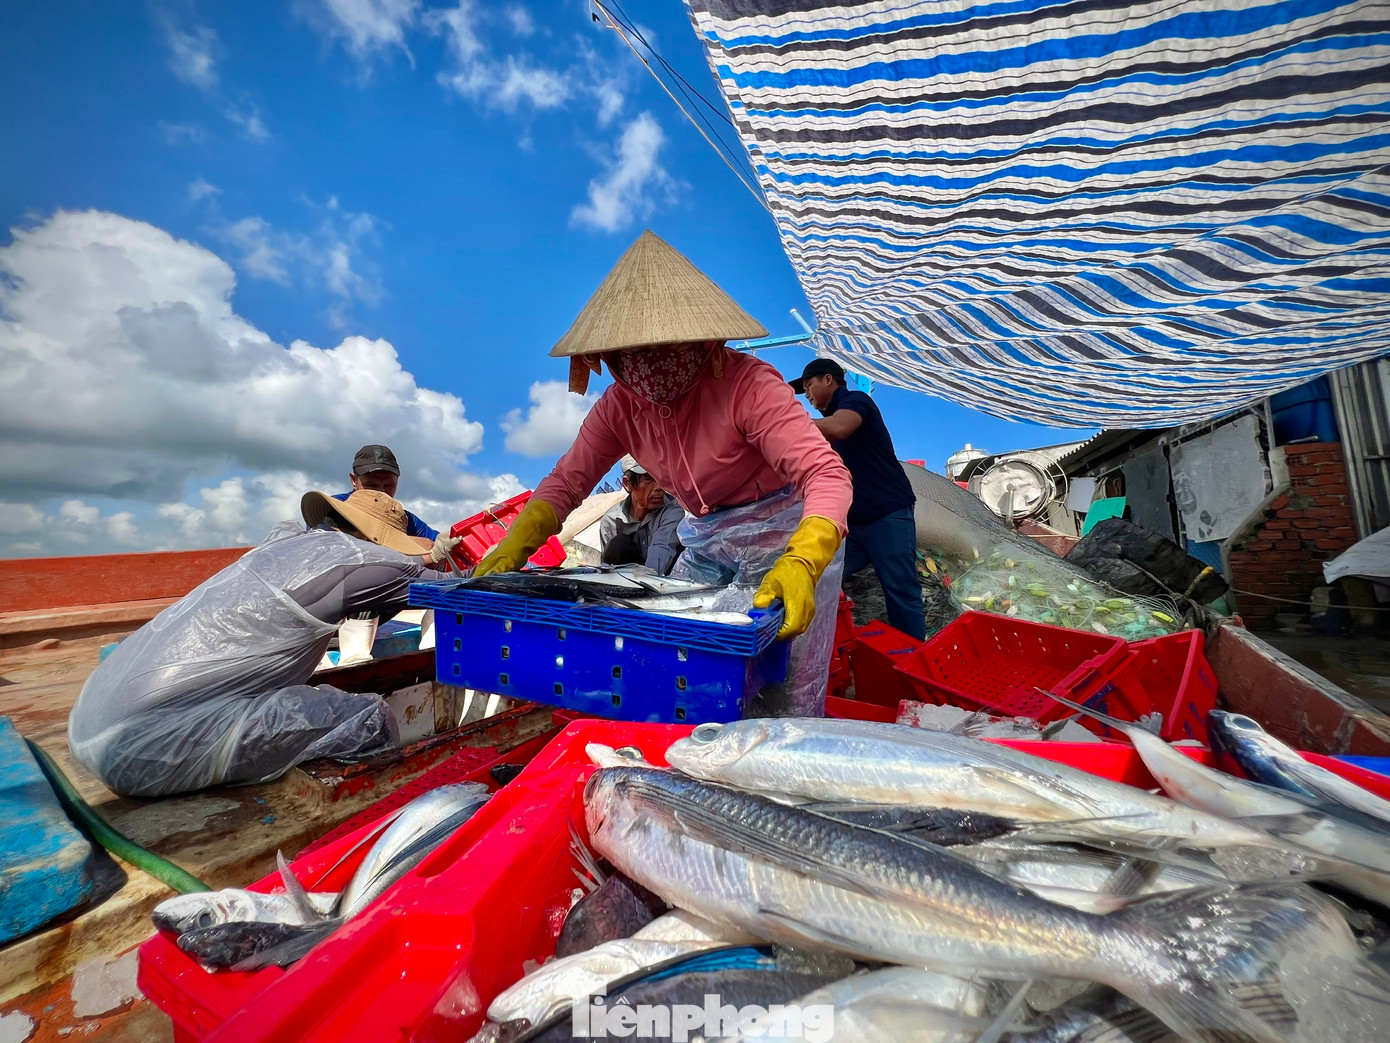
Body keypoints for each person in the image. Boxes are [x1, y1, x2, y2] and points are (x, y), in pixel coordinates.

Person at [472, 230, 853, 716]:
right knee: (677, 662)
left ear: (702, 340)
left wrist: (805, 557)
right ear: (608, 357)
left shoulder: (747, 384)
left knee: (781, 685)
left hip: (785, 531)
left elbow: (825, 474)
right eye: (633, 353)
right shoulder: (618, 409)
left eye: (666, 348)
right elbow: (568, 481)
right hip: (705, 534)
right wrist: (514, 544)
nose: (650, 365)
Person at [68, 490, 457, 798]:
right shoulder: (366, 562)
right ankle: (368, 807)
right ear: (376, 538)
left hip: (88, 718)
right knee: (371, 719)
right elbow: (461, 588)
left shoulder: (280, 546)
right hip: (141, 752)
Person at [791, 358, 926, 641]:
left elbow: (840, 427)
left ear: (829, 379)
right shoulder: (823, 429)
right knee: (823, 580)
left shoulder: (856, 401)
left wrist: (785, 422)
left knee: (900, 589)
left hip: (887, 513)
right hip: (851, 524)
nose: (807, 394)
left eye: (809, 385)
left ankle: (911, 660)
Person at [334, 444, 460, 663]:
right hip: (330, 620)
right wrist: (416, 548)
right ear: (354, 481)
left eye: (388, 485)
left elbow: (435, 543)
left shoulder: (403, 517)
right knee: (368, 577)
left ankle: (431, 661)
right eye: (371, 485)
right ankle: (354, 662)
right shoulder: (336, 509)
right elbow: (344, 552)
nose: (380, 493)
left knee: (445, 589)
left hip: (377, 609)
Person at [598, 455, 686, 575]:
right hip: (628, 584)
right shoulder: (611, 521)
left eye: (661, 478)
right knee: (618, 544)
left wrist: (648, 586)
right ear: (627, 483)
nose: (659, 487)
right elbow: (608, 568)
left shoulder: (672, 510)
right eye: (649, 479)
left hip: (665, 582)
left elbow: (662, 549)